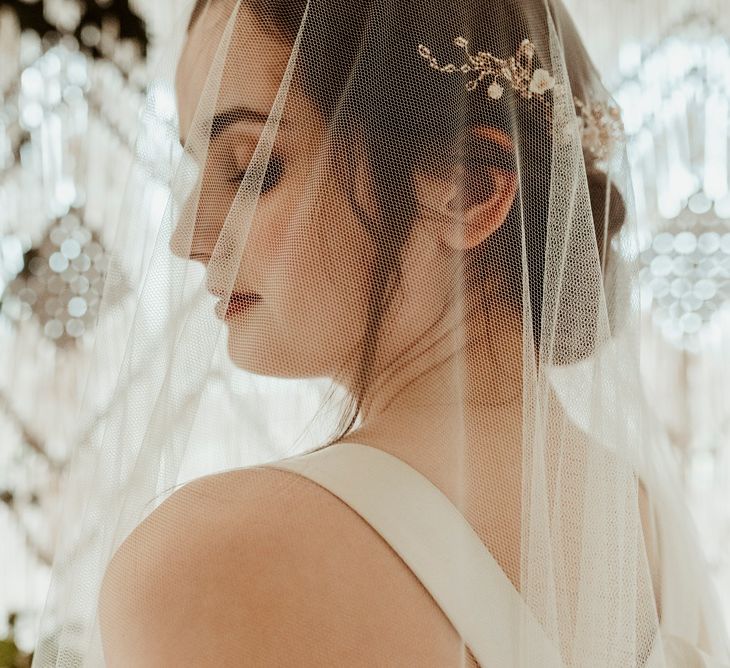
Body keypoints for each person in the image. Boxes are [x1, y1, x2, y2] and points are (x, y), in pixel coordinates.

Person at [33, 0, 730, 665]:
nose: (188, 235)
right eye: (196, 175)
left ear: (470, 189)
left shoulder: (214, 556)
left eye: (252, 168)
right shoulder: (651, 536)